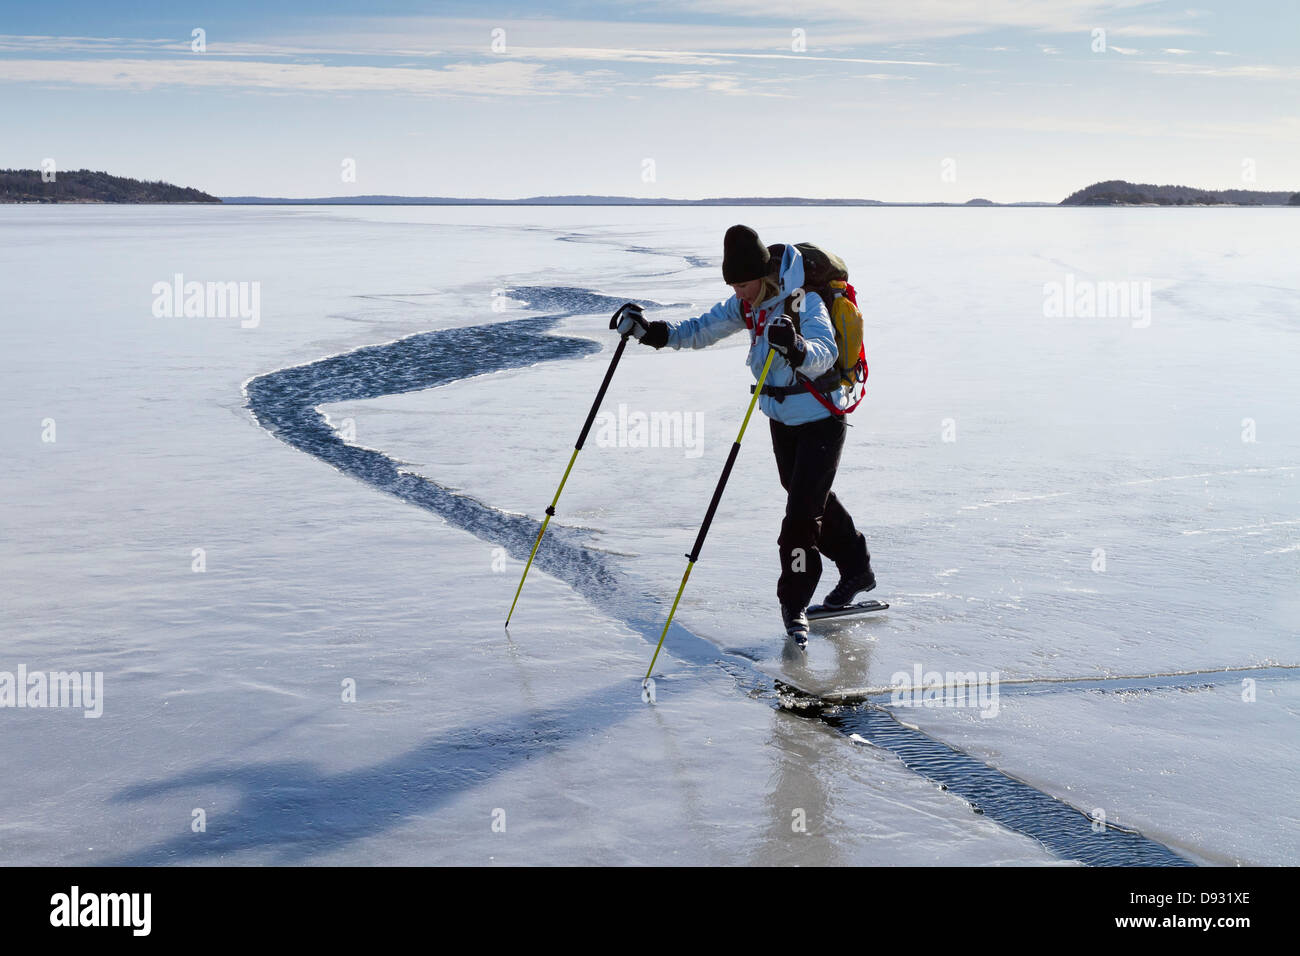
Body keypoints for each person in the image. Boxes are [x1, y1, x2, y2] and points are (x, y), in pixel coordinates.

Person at [611, 224, 875, 643]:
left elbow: (824, 354)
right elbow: (699, 329)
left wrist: (796, 347)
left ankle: (795, 605)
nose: (738, 293)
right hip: (782, 417)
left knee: (800, 518)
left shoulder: (803, 301)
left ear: (764, 273)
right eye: (733, 285)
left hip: (822, 416)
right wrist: (650, 332)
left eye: (743, 284)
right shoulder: (747, 303)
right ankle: (858, 568)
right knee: (805, 494)